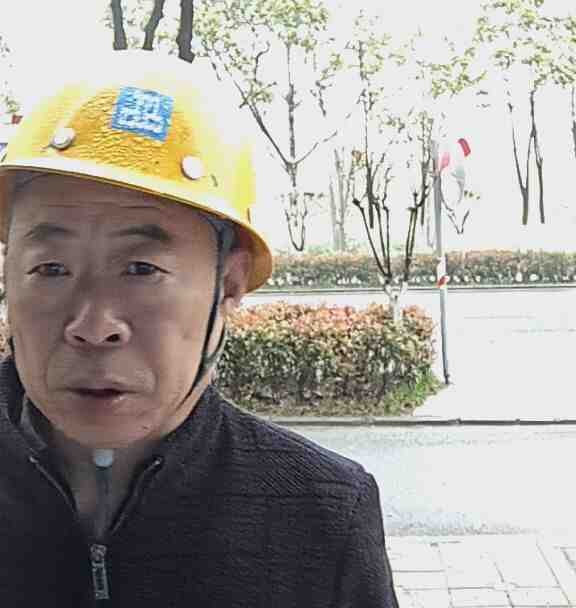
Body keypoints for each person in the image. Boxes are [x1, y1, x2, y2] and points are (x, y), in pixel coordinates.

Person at [0, 51, 398, 606]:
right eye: (50, 269)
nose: (92, 326)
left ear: (227, 284)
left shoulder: (321, 513)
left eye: (141, 269)